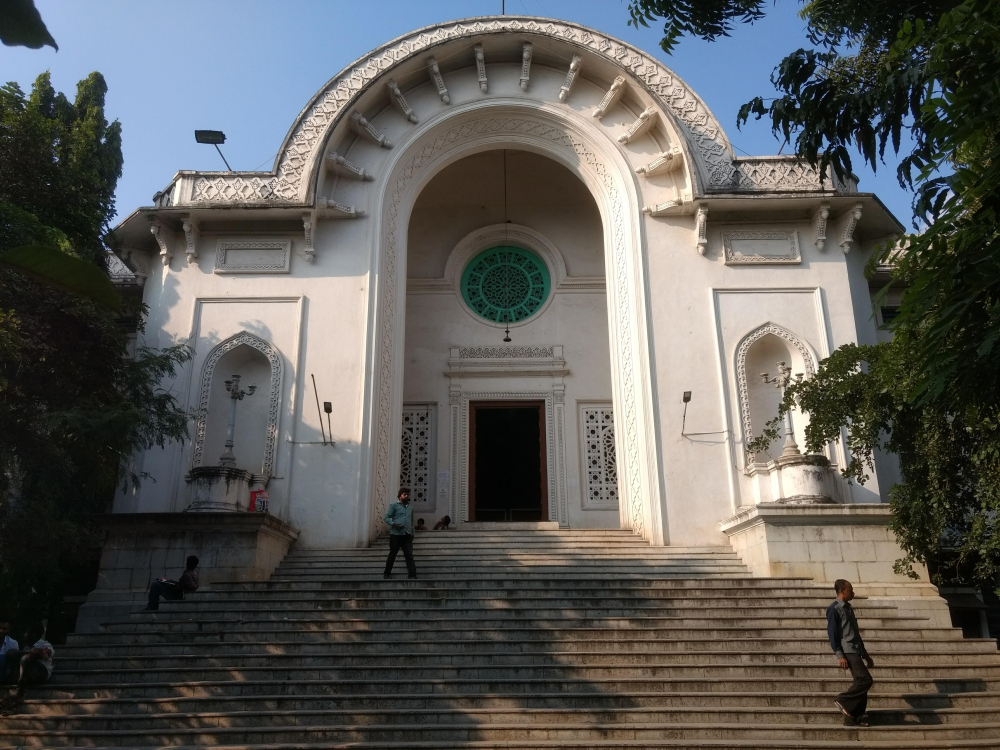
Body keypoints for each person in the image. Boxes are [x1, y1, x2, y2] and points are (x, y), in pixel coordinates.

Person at [827, 579, 875, 727]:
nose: (853, 593)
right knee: (865, 680)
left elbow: (856, 633)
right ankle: (843, 700)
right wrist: (840, 655)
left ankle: (854, 717)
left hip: (856, 649)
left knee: (860, 684)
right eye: (850, 590)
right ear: (842, 591)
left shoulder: (848, 608)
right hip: (847, 650)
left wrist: (865, 654)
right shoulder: (834, 608)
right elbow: (833, 634)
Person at [1, 623, 54, 707]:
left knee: (25, 658)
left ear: (33, 634)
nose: (24, 635)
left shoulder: (44, 644)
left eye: (26, 632)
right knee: (11, 653)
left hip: (41, 673)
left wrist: (41, 653)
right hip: (28, 674)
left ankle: (20, 693)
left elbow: (48, 652)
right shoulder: (26, 647)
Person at [383, 488, 417, 579]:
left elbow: (412, 522)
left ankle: (412, 574)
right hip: (396, 535)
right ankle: (387, 573)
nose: (407, 496)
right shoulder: (394, 505)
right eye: (405, 494)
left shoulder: (410, 507)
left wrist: (412, 534)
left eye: (408, 495)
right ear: (400, 495)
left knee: (409, 555)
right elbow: (386, 518)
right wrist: (394, 524)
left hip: (407, 535)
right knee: (392, 554)